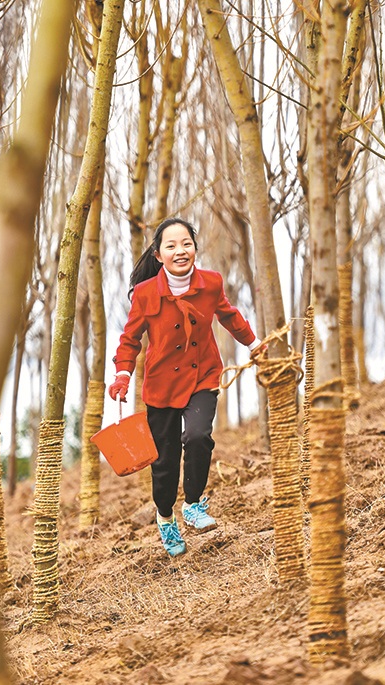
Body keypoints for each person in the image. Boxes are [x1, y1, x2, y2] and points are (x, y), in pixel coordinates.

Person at [108, 218, 261, 557]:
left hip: (202, 374)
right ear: (159, 255)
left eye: (186, 244)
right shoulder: (147, 293)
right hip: (161, 384)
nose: (181, 251)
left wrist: (254, 343)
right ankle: (165, 518)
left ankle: (193, 504)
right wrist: (122, 374)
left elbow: (229, 316)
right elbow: (130, 340)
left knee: (197, 436)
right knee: (163, 463)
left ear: (195, 247)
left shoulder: (210, 284)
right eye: (171, 246)